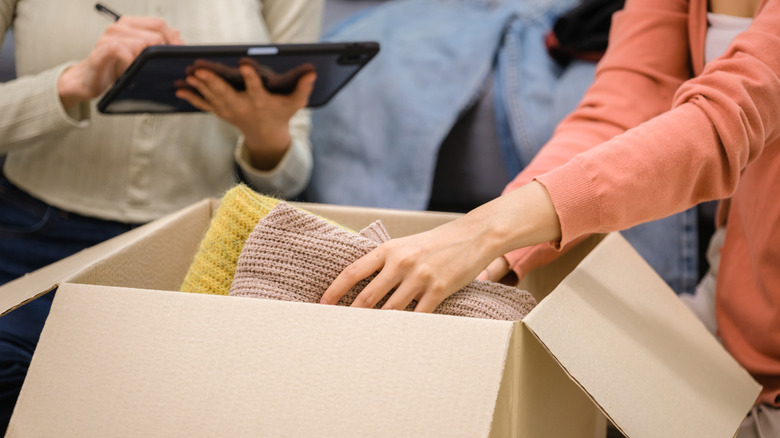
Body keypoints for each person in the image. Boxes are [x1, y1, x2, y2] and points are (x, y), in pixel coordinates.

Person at [320, 0, 779, 435]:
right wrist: (497, 253)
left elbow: (722, 123)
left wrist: (483, 232)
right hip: (733, 295)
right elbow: (617, 113)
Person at [0, 0, 322, 431]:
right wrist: (74, 81)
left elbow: (292, 176)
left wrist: (265, 134)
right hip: (34, 245)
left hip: (198, 252)